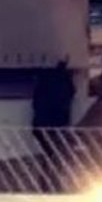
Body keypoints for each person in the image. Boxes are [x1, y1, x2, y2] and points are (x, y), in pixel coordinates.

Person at [31, 59, 76, 192]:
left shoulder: (45, 81)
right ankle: (53, 184)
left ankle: (45, 183)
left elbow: (36, 101)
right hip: (57, 124)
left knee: (48, 155)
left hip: (42, 124)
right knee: (56, 155)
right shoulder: (63, 81)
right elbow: (72, 93)